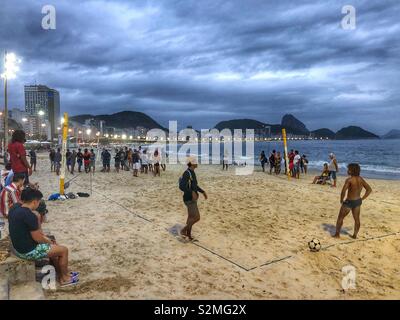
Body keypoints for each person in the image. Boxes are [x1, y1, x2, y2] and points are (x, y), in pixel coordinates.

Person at [8, 188, 79, 287]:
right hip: (27, 252)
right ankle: (65, 279)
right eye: (38, 202)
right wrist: (49, 241)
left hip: (17, 247)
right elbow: (38, 238)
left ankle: (62, 274)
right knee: (63, 250)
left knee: (54, 249)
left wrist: (48, 241)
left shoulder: (15, 208)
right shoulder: (29, 215)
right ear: (34, 202)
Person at [334, 163, 372, 239]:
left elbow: (343, 191)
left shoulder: (349, 180)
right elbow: (369, 190)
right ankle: (355, 235)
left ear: (351, 171)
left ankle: (337, 234)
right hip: (357, 202)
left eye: (348, 169)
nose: (347, 170)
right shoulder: (361, 179)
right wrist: (362, 198)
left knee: (340, 218)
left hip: (349, 202)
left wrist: (341, 200)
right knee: (357, 219)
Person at [179, 156, 207, 240]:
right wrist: (191, 192)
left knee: (191, 217)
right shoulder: (187, 173)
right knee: (196, 217)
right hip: (189, 199)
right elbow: (181, 186)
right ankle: (183, 230)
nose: (197, 163)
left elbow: (194, 186)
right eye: (195, 162)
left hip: (192, 199)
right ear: (192, 164)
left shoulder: (192, 172)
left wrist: (202, 192)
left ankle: (189, 235)